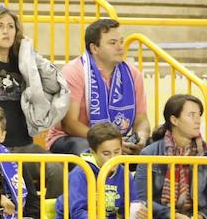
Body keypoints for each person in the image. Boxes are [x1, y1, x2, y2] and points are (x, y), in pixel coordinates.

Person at [0, 7, 66, 195]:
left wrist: (27, 48)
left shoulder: (23, 65)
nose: (6, 31)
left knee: (57, 169)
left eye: (11, 26)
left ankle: (46, 218)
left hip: (25, 146)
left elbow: (54, 83)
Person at [47, 18, 151, 155]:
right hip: (73, 139)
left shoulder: (133, 74)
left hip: (119, 141)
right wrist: (109, 142)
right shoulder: (74, 71)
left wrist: (140, 138)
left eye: (121, 41)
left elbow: (142, 120)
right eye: (112, 43)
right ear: (94, 48)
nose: (120, 47)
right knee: (86, 151)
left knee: (151, 149)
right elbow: (70, 124)